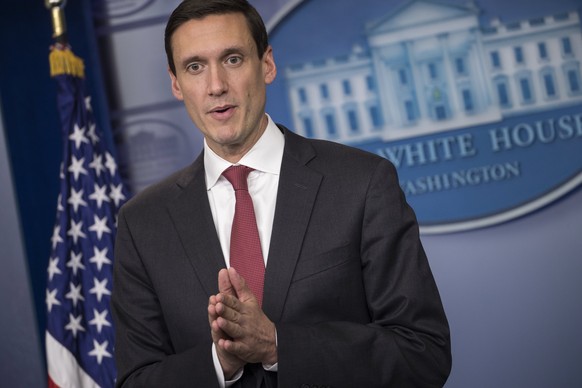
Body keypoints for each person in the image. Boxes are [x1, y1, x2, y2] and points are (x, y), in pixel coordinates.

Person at [111, 0, 452, 387]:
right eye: (195, 67)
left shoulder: (361, 183)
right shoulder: (143, 223)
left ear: (267, 64)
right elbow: (136, 380)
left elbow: (423, 352)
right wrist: (219, 364)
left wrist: (277, 345)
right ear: (176, 83)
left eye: (233, 59)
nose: (216, 85)